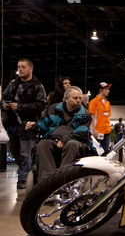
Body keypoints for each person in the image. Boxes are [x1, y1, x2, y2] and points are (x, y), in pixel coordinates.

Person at [25, 86, 92, 180]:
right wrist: (35, 126)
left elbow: (82, 131)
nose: (78, 101)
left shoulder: (85, 114)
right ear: (66, 99)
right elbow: (43, 124)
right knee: (43, 144)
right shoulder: (53, 109)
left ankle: (63, 179)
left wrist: (65, 140)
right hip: (53, 138)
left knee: (72, 144)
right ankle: (47, 180)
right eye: (75, 98)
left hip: (74, 139)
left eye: (80, 98)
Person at [1, 58, 47, 189]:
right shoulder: (13, 83)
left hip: (28, 125)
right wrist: (4, 105)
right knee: (14, 151)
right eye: (18, 67)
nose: (20, 69)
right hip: (11, 124)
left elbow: (41, 105)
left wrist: (19, 107)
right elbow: (4, 97)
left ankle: (23, 178)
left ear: (30, 68)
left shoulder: (38, 86)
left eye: (23, 67)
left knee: (25, 152)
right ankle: (28, 172)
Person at [88, 82, 112, 153]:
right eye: (106, 89)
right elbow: (91, 116)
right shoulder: (94, 102)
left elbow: (107, 116)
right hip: (98, 131)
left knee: (105, 152)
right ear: (101, 90)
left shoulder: (107, 102)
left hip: (107, 130)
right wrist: (93, 130)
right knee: (96, 151)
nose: (108, 91)